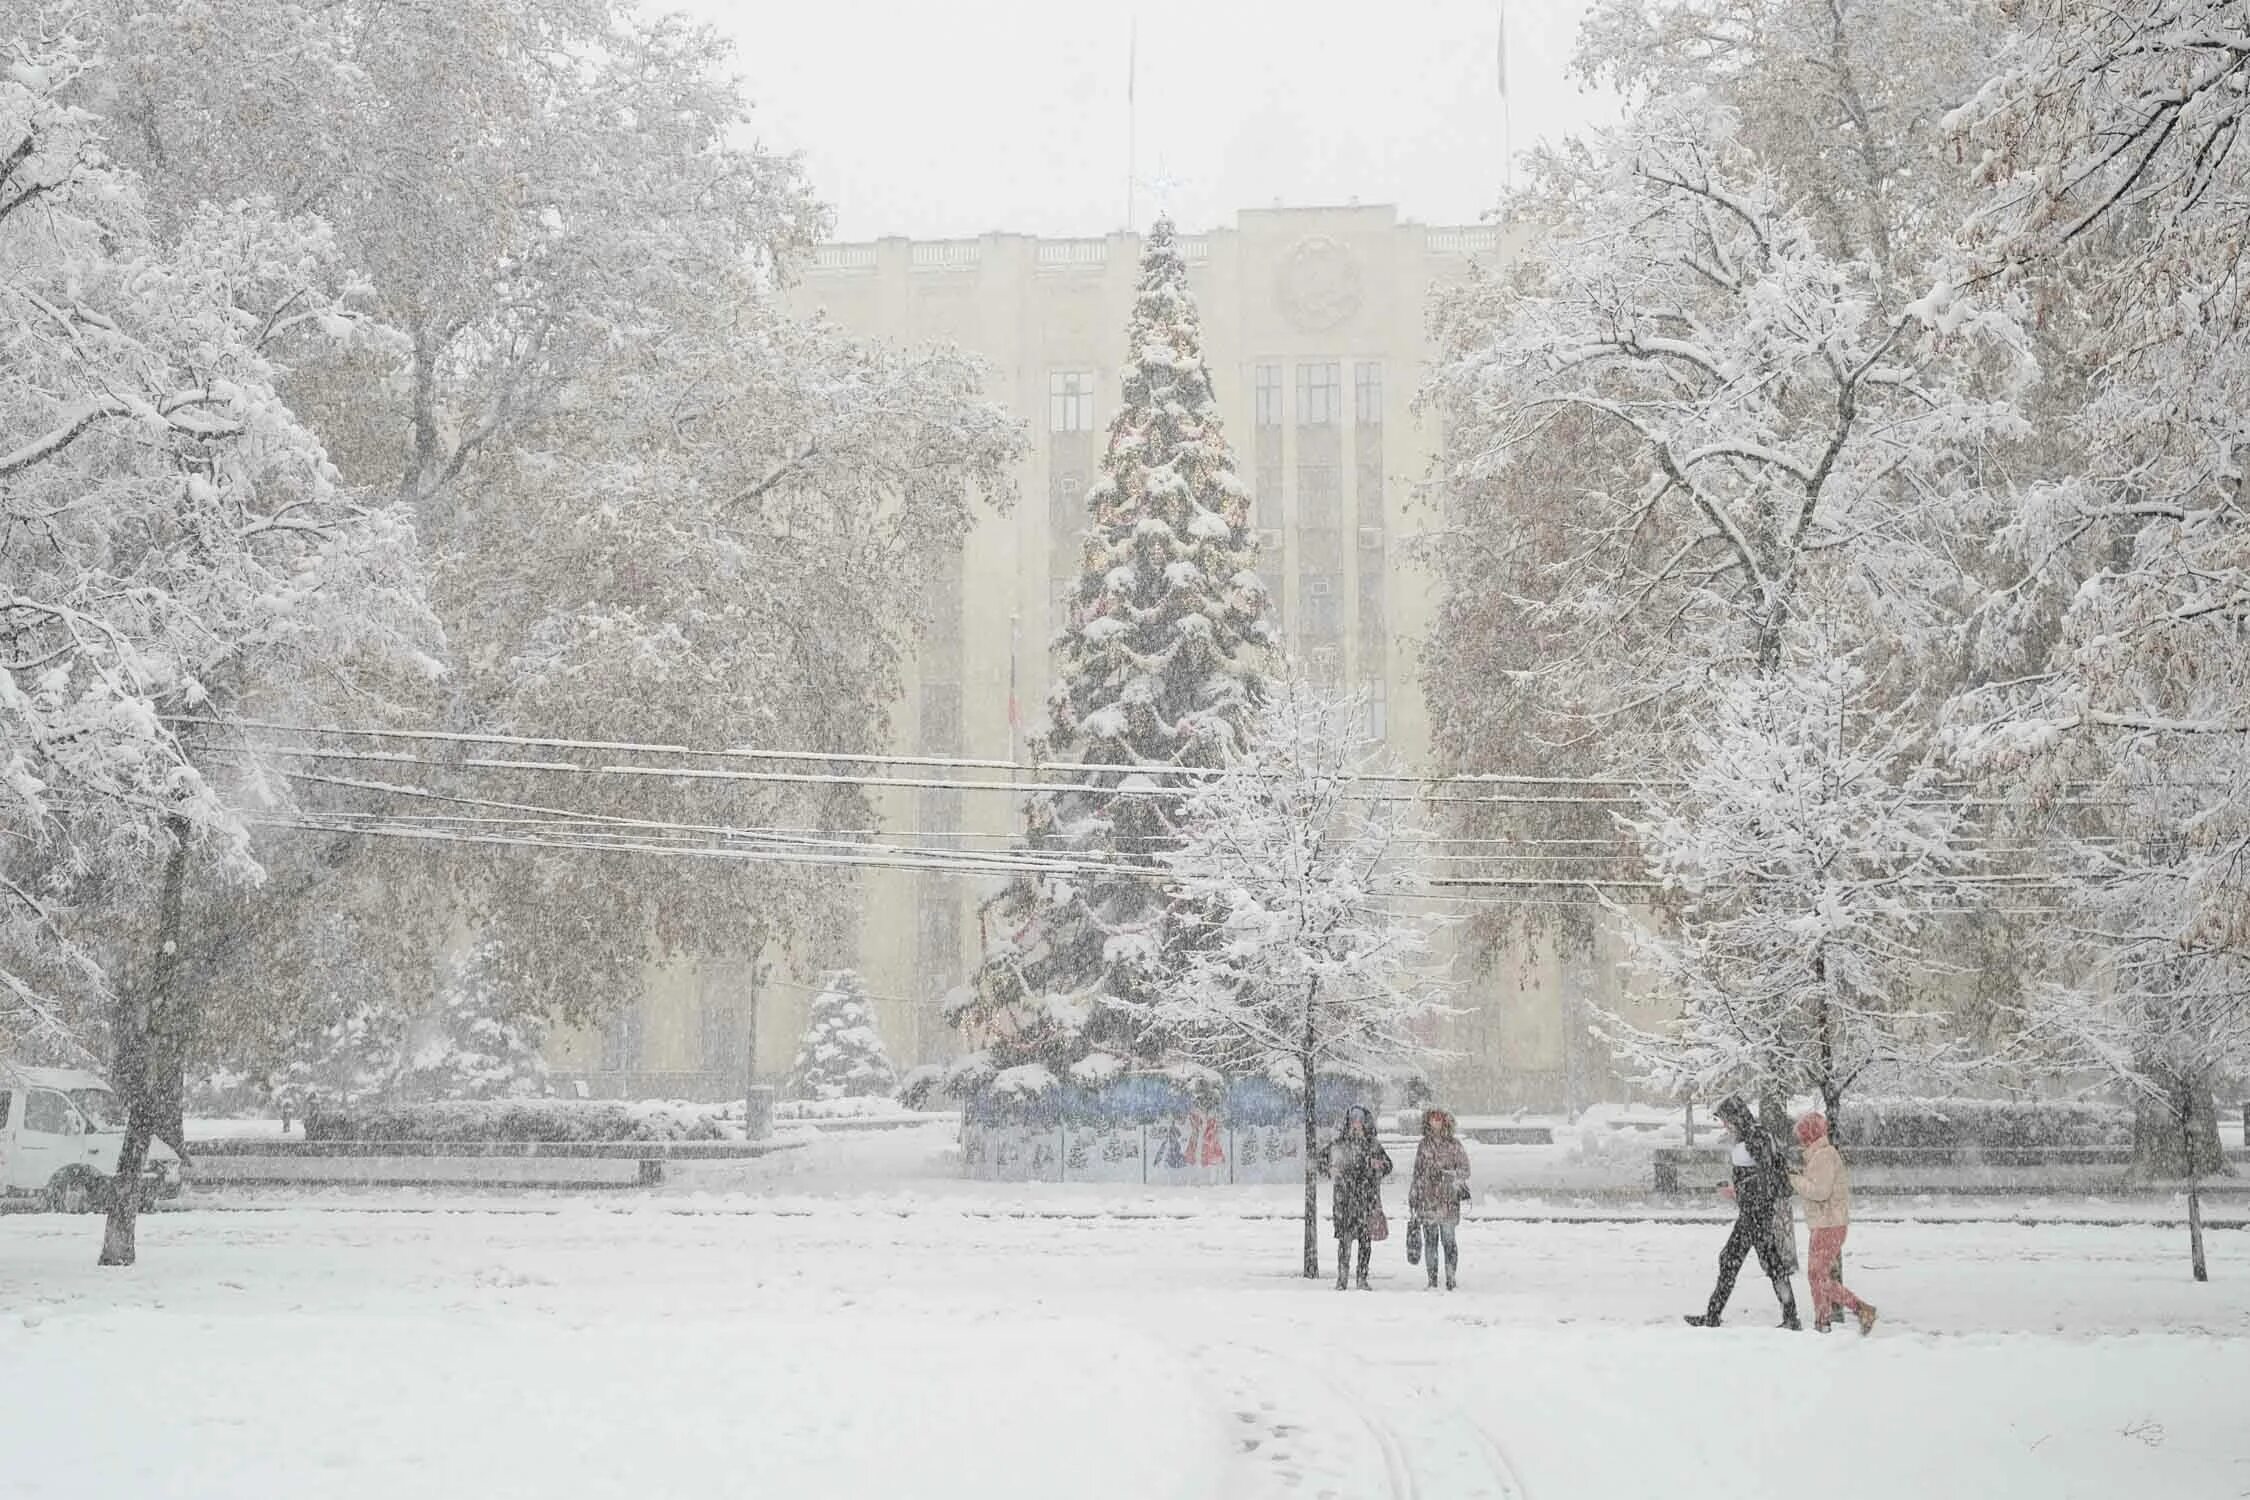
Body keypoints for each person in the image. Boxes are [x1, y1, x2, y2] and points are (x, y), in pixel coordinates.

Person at [1684, 1096, 1802, 1330]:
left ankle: (1716, 1316)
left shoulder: (1756, 1136)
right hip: (1753, 1211)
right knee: (1751, 1261)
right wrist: (1738, 1190)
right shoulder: (1750, 1135)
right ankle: (1788, 1316)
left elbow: (1765, 1176)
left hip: (1757, 1213)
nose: (1724, 1124)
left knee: (1750, 1261)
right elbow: (1756, 1175)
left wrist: (1738, 1191)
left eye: (1726, 1119)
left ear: (1736, 1116)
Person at [1790, 1113, 1878, 1334]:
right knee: (1817, 1276)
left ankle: (1860, 1309)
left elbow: (1820, 1192)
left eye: (1802, 1135)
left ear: (1810, 1133)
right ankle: (1823, 1322)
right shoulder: (1819, 1155)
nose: (1800, 1140)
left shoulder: (1823, 1156)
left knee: (1817, 1276)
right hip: (1826, 1222)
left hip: (1829, 1223)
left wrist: (1793, 1179)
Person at [1325, 1105, 1392, 1290]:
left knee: (1365, 1241)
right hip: (1345, 1200)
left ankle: (1362, 1278)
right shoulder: (1340, 1143)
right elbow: (1323, 1161)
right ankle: (1342, 1278)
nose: (1356, 1124)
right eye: (1353, 1120)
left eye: (1360, 1121)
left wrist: (1378, 1164)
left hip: (1366, 1200)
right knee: (1344, 1241)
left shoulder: (1373, 1144)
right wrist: (1331, 1169)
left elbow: (1388, 1165)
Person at [1409, 1108, 1472, 1291]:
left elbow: (1465, 1170)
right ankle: (1432, 1280)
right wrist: (1414, 1195)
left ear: (1445, 1122)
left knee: (1449, 1240)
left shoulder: (1454, 1144)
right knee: (1430, 1241)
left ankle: (1451, 1278)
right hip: (1427, 1200)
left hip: (1448, 1200)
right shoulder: (1424, 1145)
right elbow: (1417, 1172)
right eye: (1432, 1119)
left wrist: (1447, 1175)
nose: (1435, 1123)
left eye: (1439, 1119)